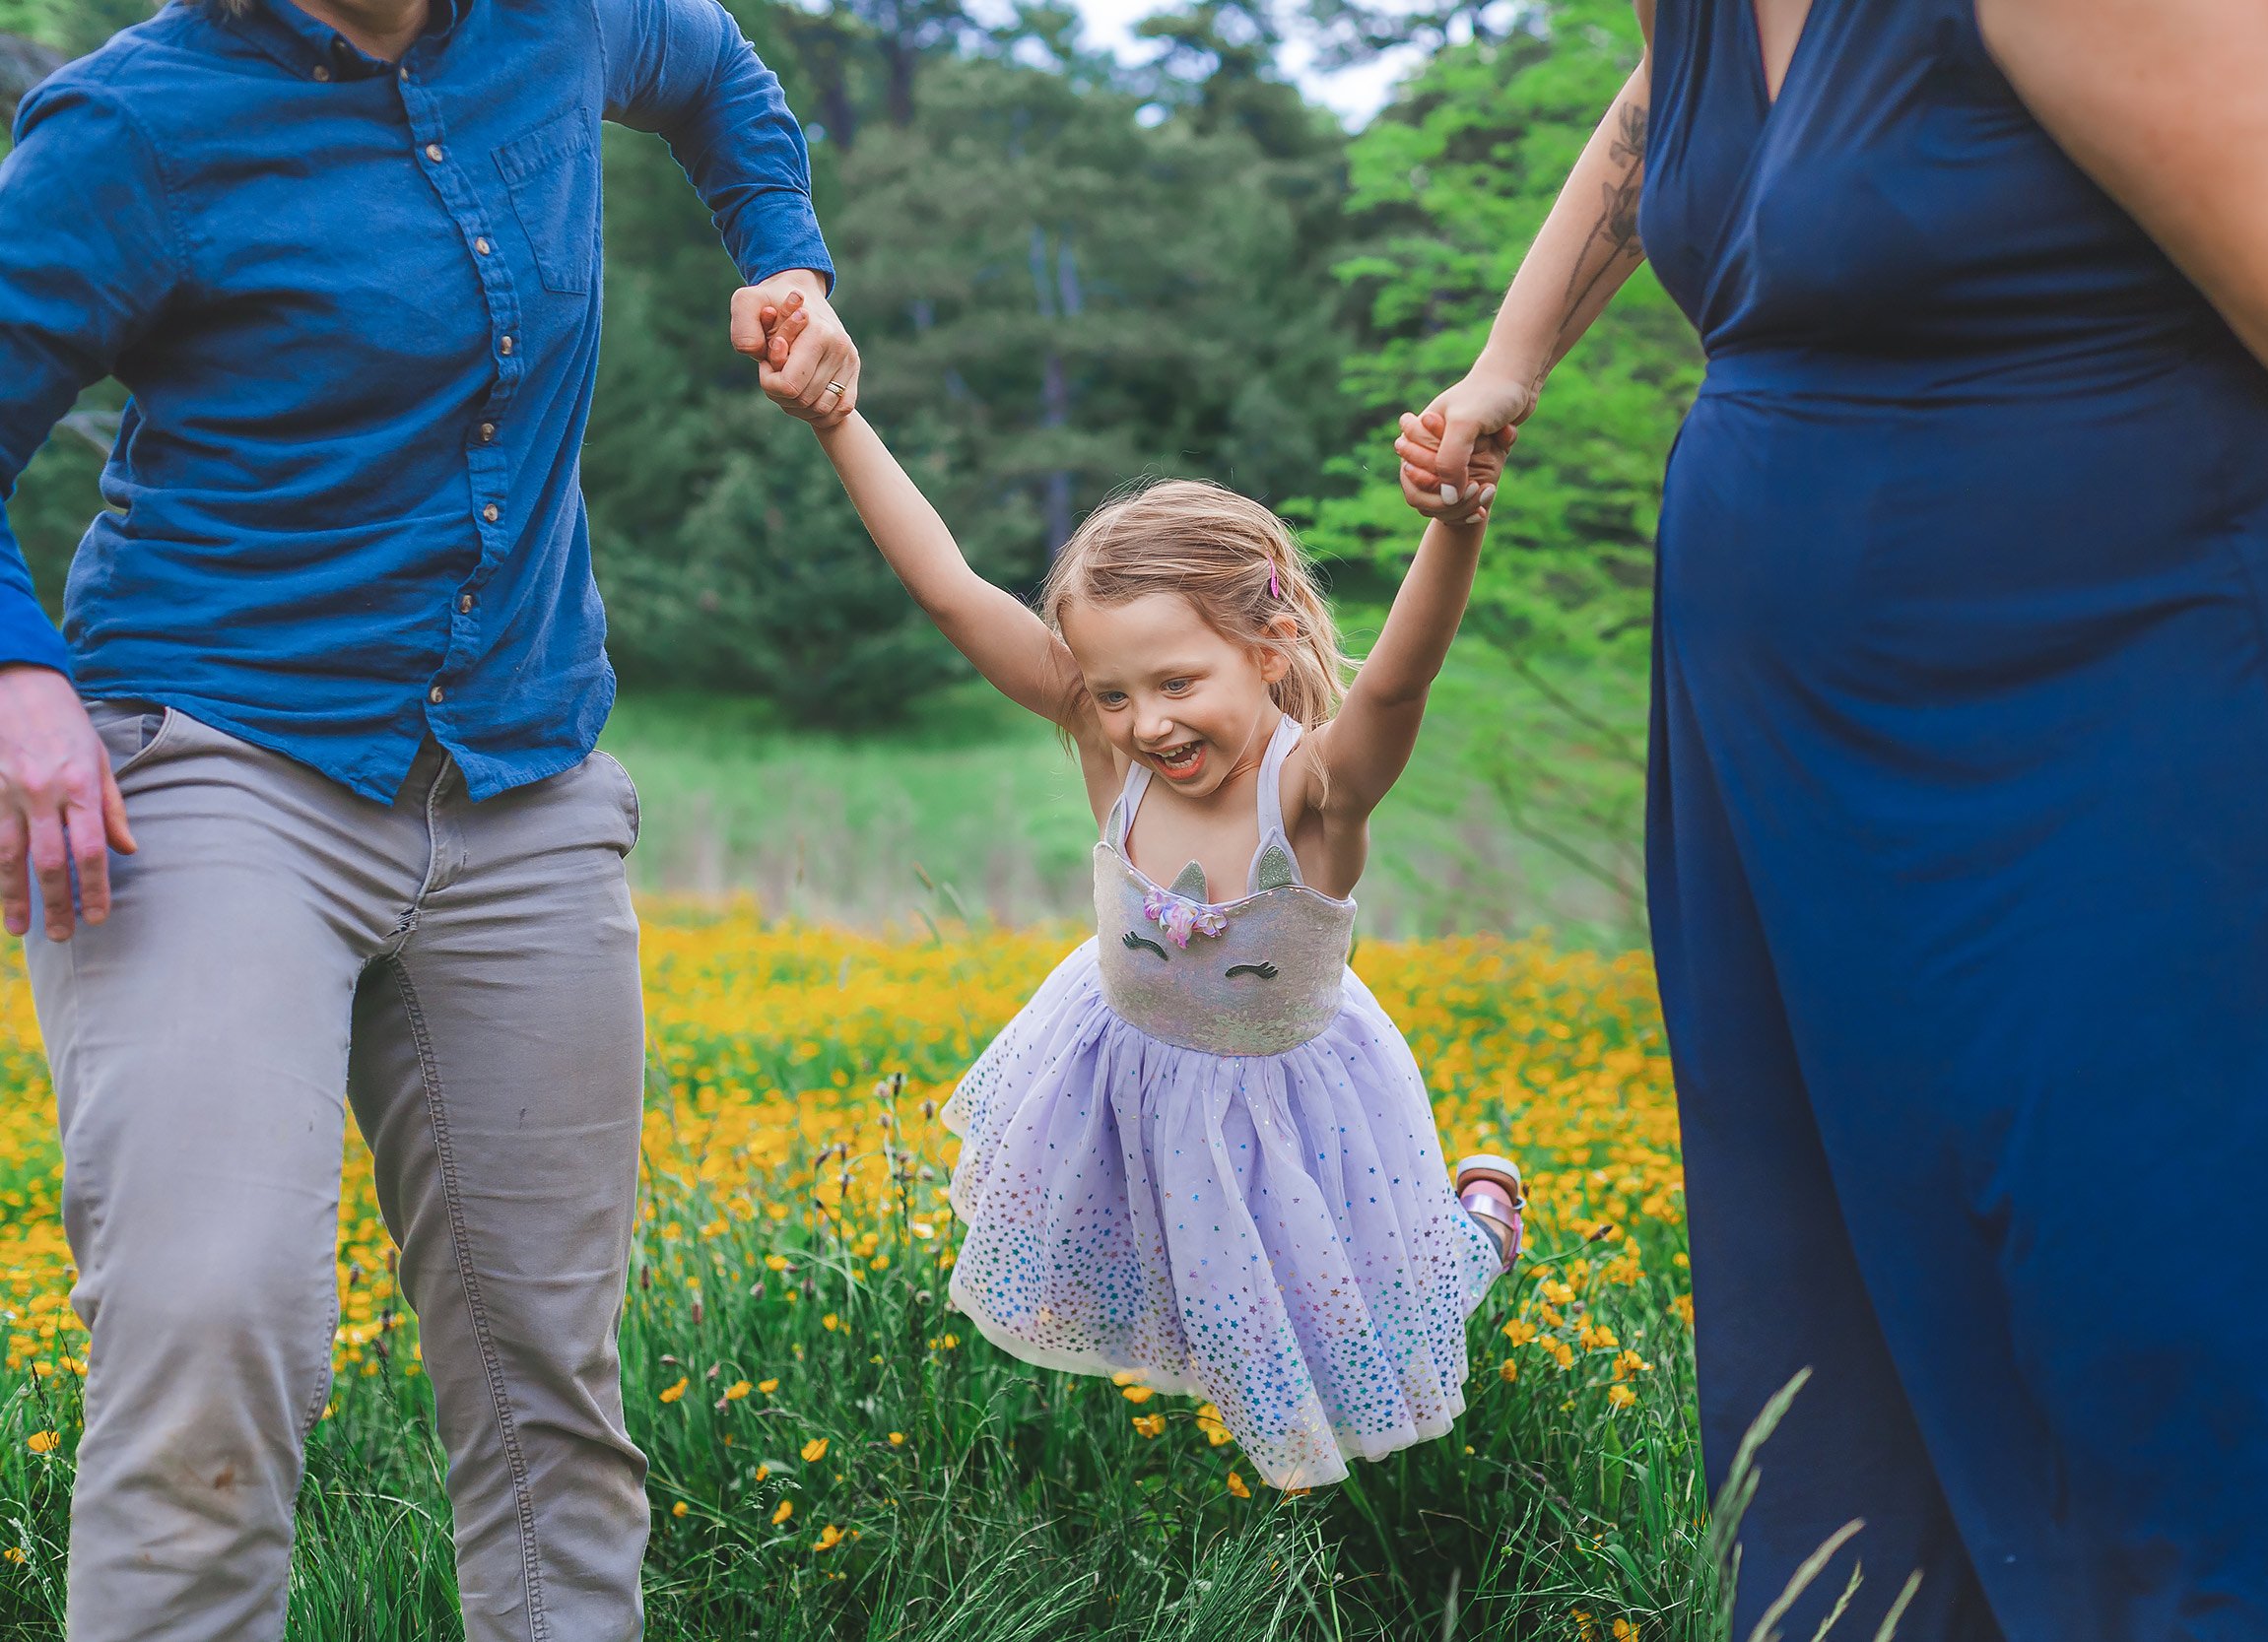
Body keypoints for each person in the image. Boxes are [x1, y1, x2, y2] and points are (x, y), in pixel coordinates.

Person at [1395, 0, 2268, 1636]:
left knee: (2171, 1344)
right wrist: (1509, 360)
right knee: (1852, 1357)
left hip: (2130, 741)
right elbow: (1651, 118)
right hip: (1792, 792)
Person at [0, 0, 858, 1635]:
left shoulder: (566, 21)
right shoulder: (132, 126)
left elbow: (719, 78)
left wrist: (786, 257)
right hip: (216, 762)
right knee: (210, 1328)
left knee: (551, 1375)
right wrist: (14, 671)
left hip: (521, 773)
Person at [760, 293, 1523, 1489]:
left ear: (1266, 647)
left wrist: (1458, 524)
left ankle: (1476, 1234)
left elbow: (1397, 683)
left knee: (1346, 1321)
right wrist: (838, 421)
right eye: (1112, 691)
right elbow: (954, 589)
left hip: (1285, 1103)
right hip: (1124, 1065)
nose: (1144, 721)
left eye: (1174, 681)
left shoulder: (1314, 793)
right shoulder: (1106, 744)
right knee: (1182, 1293)